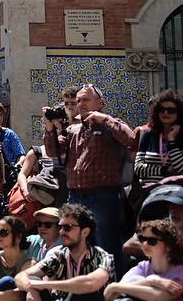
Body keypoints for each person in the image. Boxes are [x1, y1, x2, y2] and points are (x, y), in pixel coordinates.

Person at [6, 202, 113, 301]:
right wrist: (31, 288)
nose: (62, 232)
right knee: (30, 284)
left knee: (80, 288)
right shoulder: (59, 254)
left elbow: (92, 283)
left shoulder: (102, 256)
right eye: (61, 227)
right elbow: (21, 276)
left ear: (85, 232)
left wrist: (42, 285)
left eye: (68, 227)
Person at [44, 84, 135, 259]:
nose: (81, 104)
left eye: (86, 99)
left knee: (106, 247)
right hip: (76, 197)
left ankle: (110, 284)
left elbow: (130, 139)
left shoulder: (111, 123)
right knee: (79, 249)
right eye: (78, 101)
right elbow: (53, 152)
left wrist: (104, 119)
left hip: (103, 197)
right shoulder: (73, 129)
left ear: (100, 103)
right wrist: (50, 128)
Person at [132, 91, 183, 204]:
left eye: (171, 110)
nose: (165, 113)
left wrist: (171, 140)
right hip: (149, 196)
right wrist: (165, 170)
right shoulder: (149, 135)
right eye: (162, 109)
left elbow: (180, 166)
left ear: (179, 113)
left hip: (177, 198)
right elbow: (139, 169)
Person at [0, 101, 26, 167]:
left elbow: (21, 154)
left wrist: (19, 163)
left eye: (1, 114)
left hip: (8, 172)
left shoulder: (9, 134)